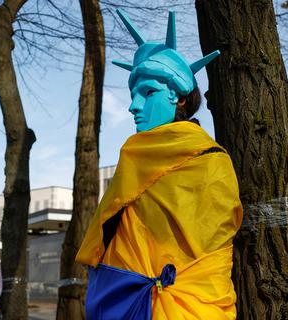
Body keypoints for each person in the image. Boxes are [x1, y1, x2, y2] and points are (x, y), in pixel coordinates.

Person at [76, 9, 241, 319]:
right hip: (130, 300)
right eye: (132, 94)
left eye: (148, 92)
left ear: (178, 97)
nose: (133, 105)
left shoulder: (211, 162)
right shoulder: (137, 156)